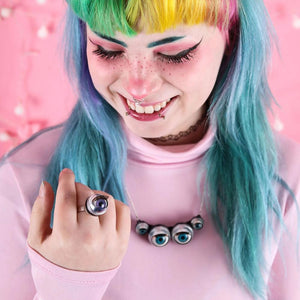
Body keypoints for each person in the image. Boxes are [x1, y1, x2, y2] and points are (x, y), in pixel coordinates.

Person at [0, 0, 299, 299]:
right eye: (108, 49)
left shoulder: (288, 181)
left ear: (231, 35)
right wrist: (66, 287)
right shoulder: (23, 179)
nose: (138, 88)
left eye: (174, 54)